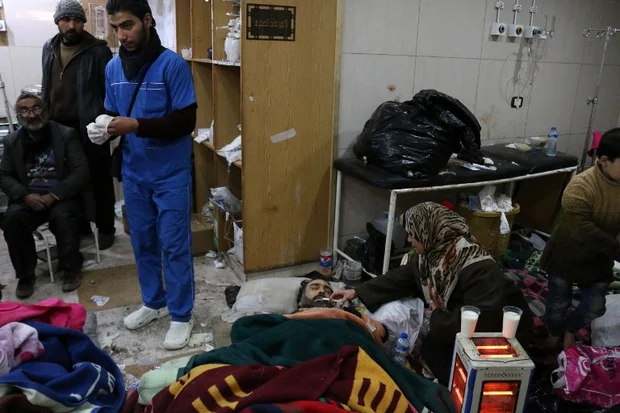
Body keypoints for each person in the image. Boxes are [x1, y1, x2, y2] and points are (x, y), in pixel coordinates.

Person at [89, 0, 197, 350]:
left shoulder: (172, 65)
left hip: (170, 174)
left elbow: (186, 120)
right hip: (134, 172)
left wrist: (136, 125)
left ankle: (181, 314)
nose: (121, 35)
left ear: (147, 21)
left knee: (175, 246)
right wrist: (103, 127)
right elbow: (111, 110)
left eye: (128, 25)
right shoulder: (112, 68)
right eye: (116, 28)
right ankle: (154, 302)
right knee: (143, 242)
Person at [332, 202, 533, 384]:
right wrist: (356, 291)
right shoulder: (432, 254)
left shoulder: (477, 267)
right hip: (461, 318)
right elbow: (402, 277)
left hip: (498, 329)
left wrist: (437, 316)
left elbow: (482, 317)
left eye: (413, 234)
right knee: (431, 347)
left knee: (441, 356)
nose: (409, 240)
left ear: (429, 232)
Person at [0, 90, 89, 298]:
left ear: (46, 110)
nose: (32, 115)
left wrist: (54, 195)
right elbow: (4, 175)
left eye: (36, 108)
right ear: (18, 117)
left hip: (61, 196)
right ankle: (25, 275)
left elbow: (81, 171)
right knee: (12, 218)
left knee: (63, 216)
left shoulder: (66, 135)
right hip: (29, 198)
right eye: (25, 111)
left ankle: (70, 268)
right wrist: (25, 195)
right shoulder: (12, 141)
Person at [41, 0, 116, 249]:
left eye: (77, 20)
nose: (71, 25)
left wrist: (105, 124)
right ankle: (81, 226)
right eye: (66, 20)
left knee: (99, 178)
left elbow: (109, 92)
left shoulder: (98, 51)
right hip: (58, 128)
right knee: (70, 181)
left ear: (83, 23)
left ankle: (106, 228)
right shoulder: (49, 47)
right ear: (58, 22)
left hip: (90, 126)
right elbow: (46, 86)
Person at [541, 128, 620, 350]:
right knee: (558, 304)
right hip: (567, 255)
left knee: (595, 306)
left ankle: (571, 330)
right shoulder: (580, 187)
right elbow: (583, 231)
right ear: (604, 160)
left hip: (600, 258)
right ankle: (553, 335)